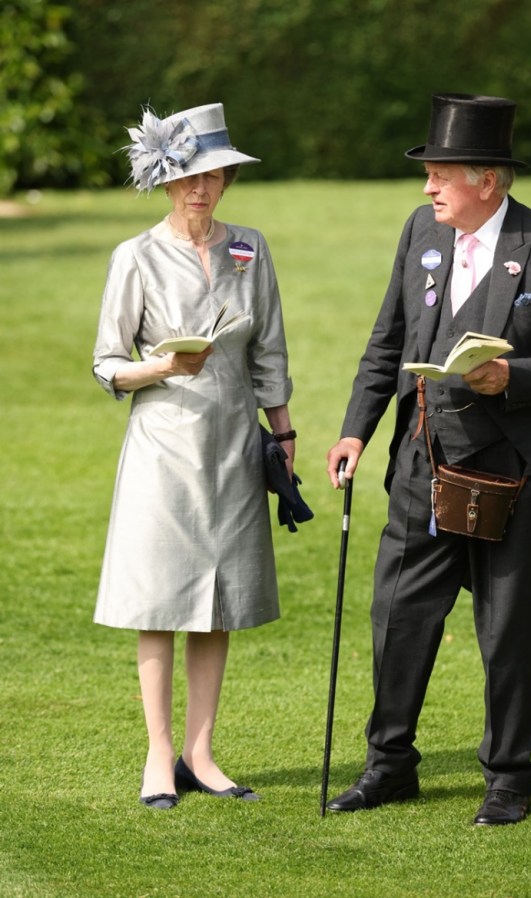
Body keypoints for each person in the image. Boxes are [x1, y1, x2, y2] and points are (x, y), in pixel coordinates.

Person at [326, 93, 531, 825]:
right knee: (397, 616)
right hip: (421, 464)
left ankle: (509, 781)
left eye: (442, 174)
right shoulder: (422, 230)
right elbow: (387, 340)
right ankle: (389, 767)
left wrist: (513, 377)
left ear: (488, 180)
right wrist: (357, 429)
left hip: (510, 477)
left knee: (507, 631)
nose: (428, 188)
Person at [93, 103, 296, 810]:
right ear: (164, 179)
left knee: (220, 601)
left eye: (212, 176)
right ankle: (158, 754)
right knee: (159, 601)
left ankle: (200, 752)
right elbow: (107, 364)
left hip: (235, 446)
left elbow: (269, 346)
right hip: (162, 449)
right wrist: (161, 370)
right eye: (186, 177)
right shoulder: (136, 257)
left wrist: (285, 433)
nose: (200, 190)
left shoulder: (251, 248)